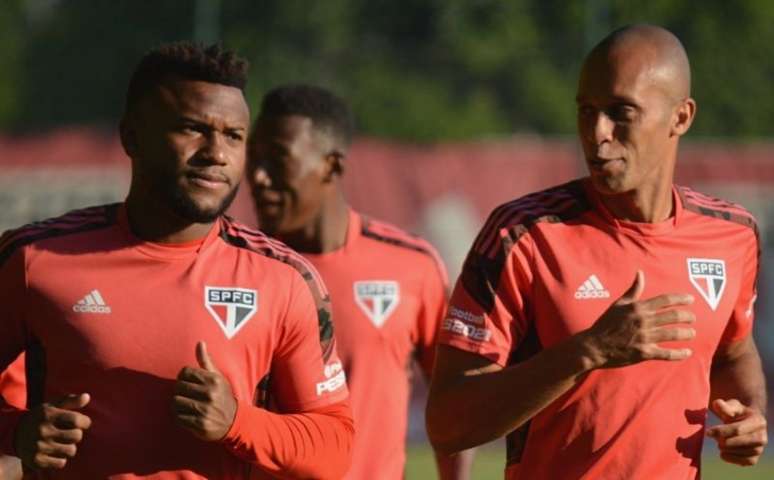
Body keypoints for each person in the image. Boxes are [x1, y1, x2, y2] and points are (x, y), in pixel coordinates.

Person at [426, 24, 767, 479]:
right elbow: (448, 422)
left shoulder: (731, 234)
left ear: (680, 117)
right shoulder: (522, 234)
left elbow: (732, 353)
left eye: (621, 112)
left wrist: (749, 414)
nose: (597, 133)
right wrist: (588, 351)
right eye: (586, 111)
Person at [0, 43, 354, 479]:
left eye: (233, 136)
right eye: (193, 128)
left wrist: (238, 423)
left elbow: (335, 446)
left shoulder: (284, 279)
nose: (216, 153)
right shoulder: (35, 258)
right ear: (131, 136)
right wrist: (15, 431)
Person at [247, 84, 473, 479]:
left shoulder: (411, 265)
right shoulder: (241, 269)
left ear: (332, 165)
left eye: (278, 159)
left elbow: (453, 401)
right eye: (254, 159)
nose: (259, 178)